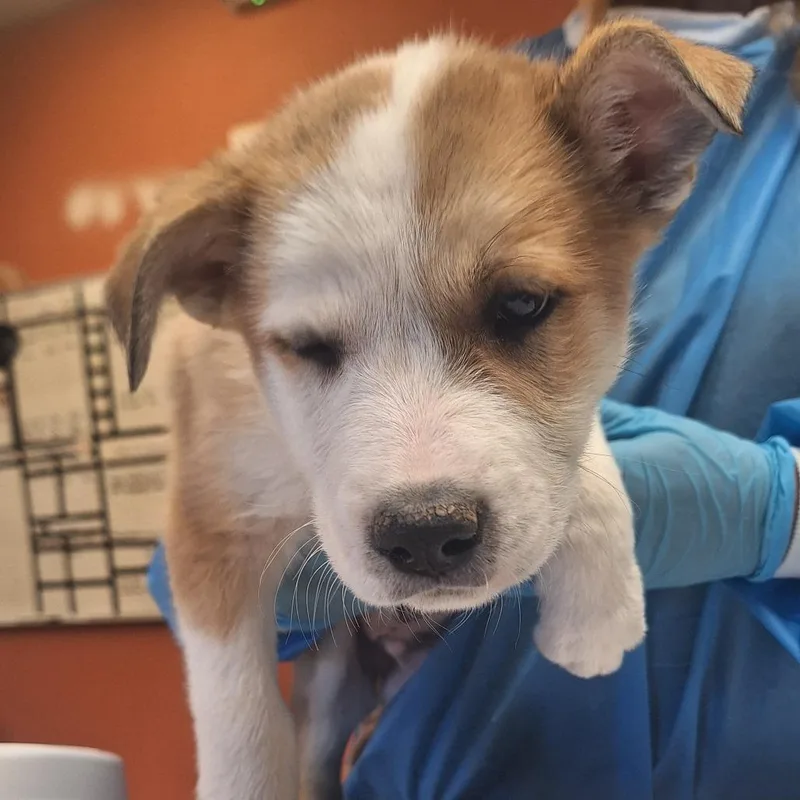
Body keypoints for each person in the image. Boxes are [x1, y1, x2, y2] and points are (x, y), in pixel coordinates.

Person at [148, 5, 800, 798]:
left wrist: (776, 512)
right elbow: (212, 524)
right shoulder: (447, 105)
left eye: (518, 307)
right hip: (450, 770)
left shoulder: (583, 118)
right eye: (319, 347)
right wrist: (252, 576)